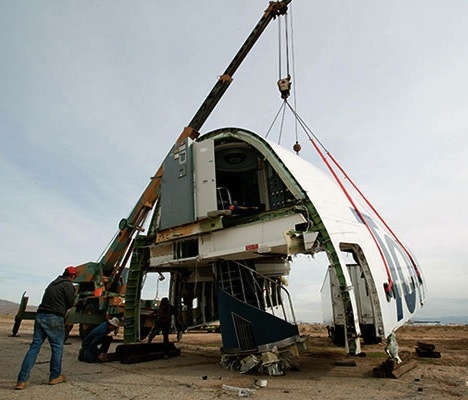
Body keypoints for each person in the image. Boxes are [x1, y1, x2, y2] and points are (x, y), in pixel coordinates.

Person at [15, 266, 77, 390]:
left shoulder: (53, 283)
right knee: (57, 348)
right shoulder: (68, 285)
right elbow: (70, 303)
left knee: (34, 347)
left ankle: (22, 380)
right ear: (72, 276)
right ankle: (55, 376)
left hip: (40, 315)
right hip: (54, 318)